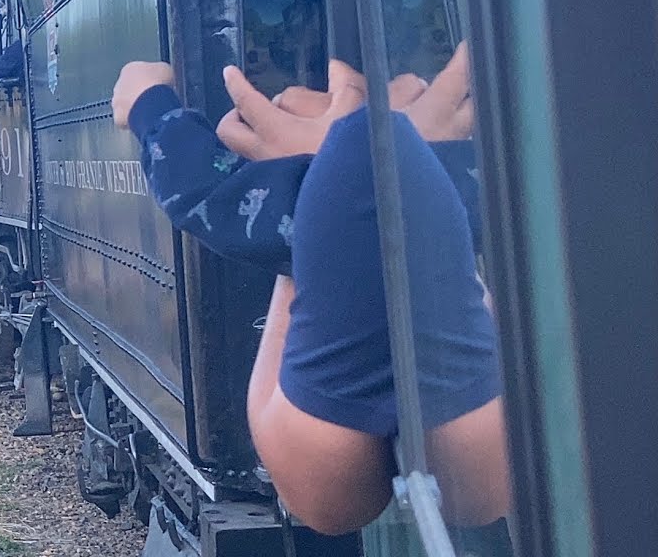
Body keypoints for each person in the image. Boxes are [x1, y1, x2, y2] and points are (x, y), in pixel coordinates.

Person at [111, 47, 510, 535]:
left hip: (325, 440)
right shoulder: (450, 168)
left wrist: (148, 101)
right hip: (460, 411)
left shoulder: (326, 169)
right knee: (474, 497)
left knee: (332, 508)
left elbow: (195, 189)